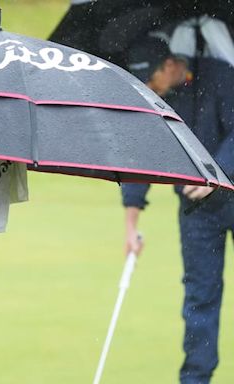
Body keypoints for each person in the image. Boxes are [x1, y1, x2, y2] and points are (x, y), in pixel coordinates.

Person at [122, 32, 234, 383]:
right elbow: (142, 156)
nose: (149, 89)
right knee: (200, 298)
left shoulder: (220, 74)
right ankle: (196, 378)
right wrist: (130, 226)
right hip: (197, 213)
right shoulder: (156, 99)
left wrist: (215, 175)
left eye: (151, 80)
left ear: (169, 65)